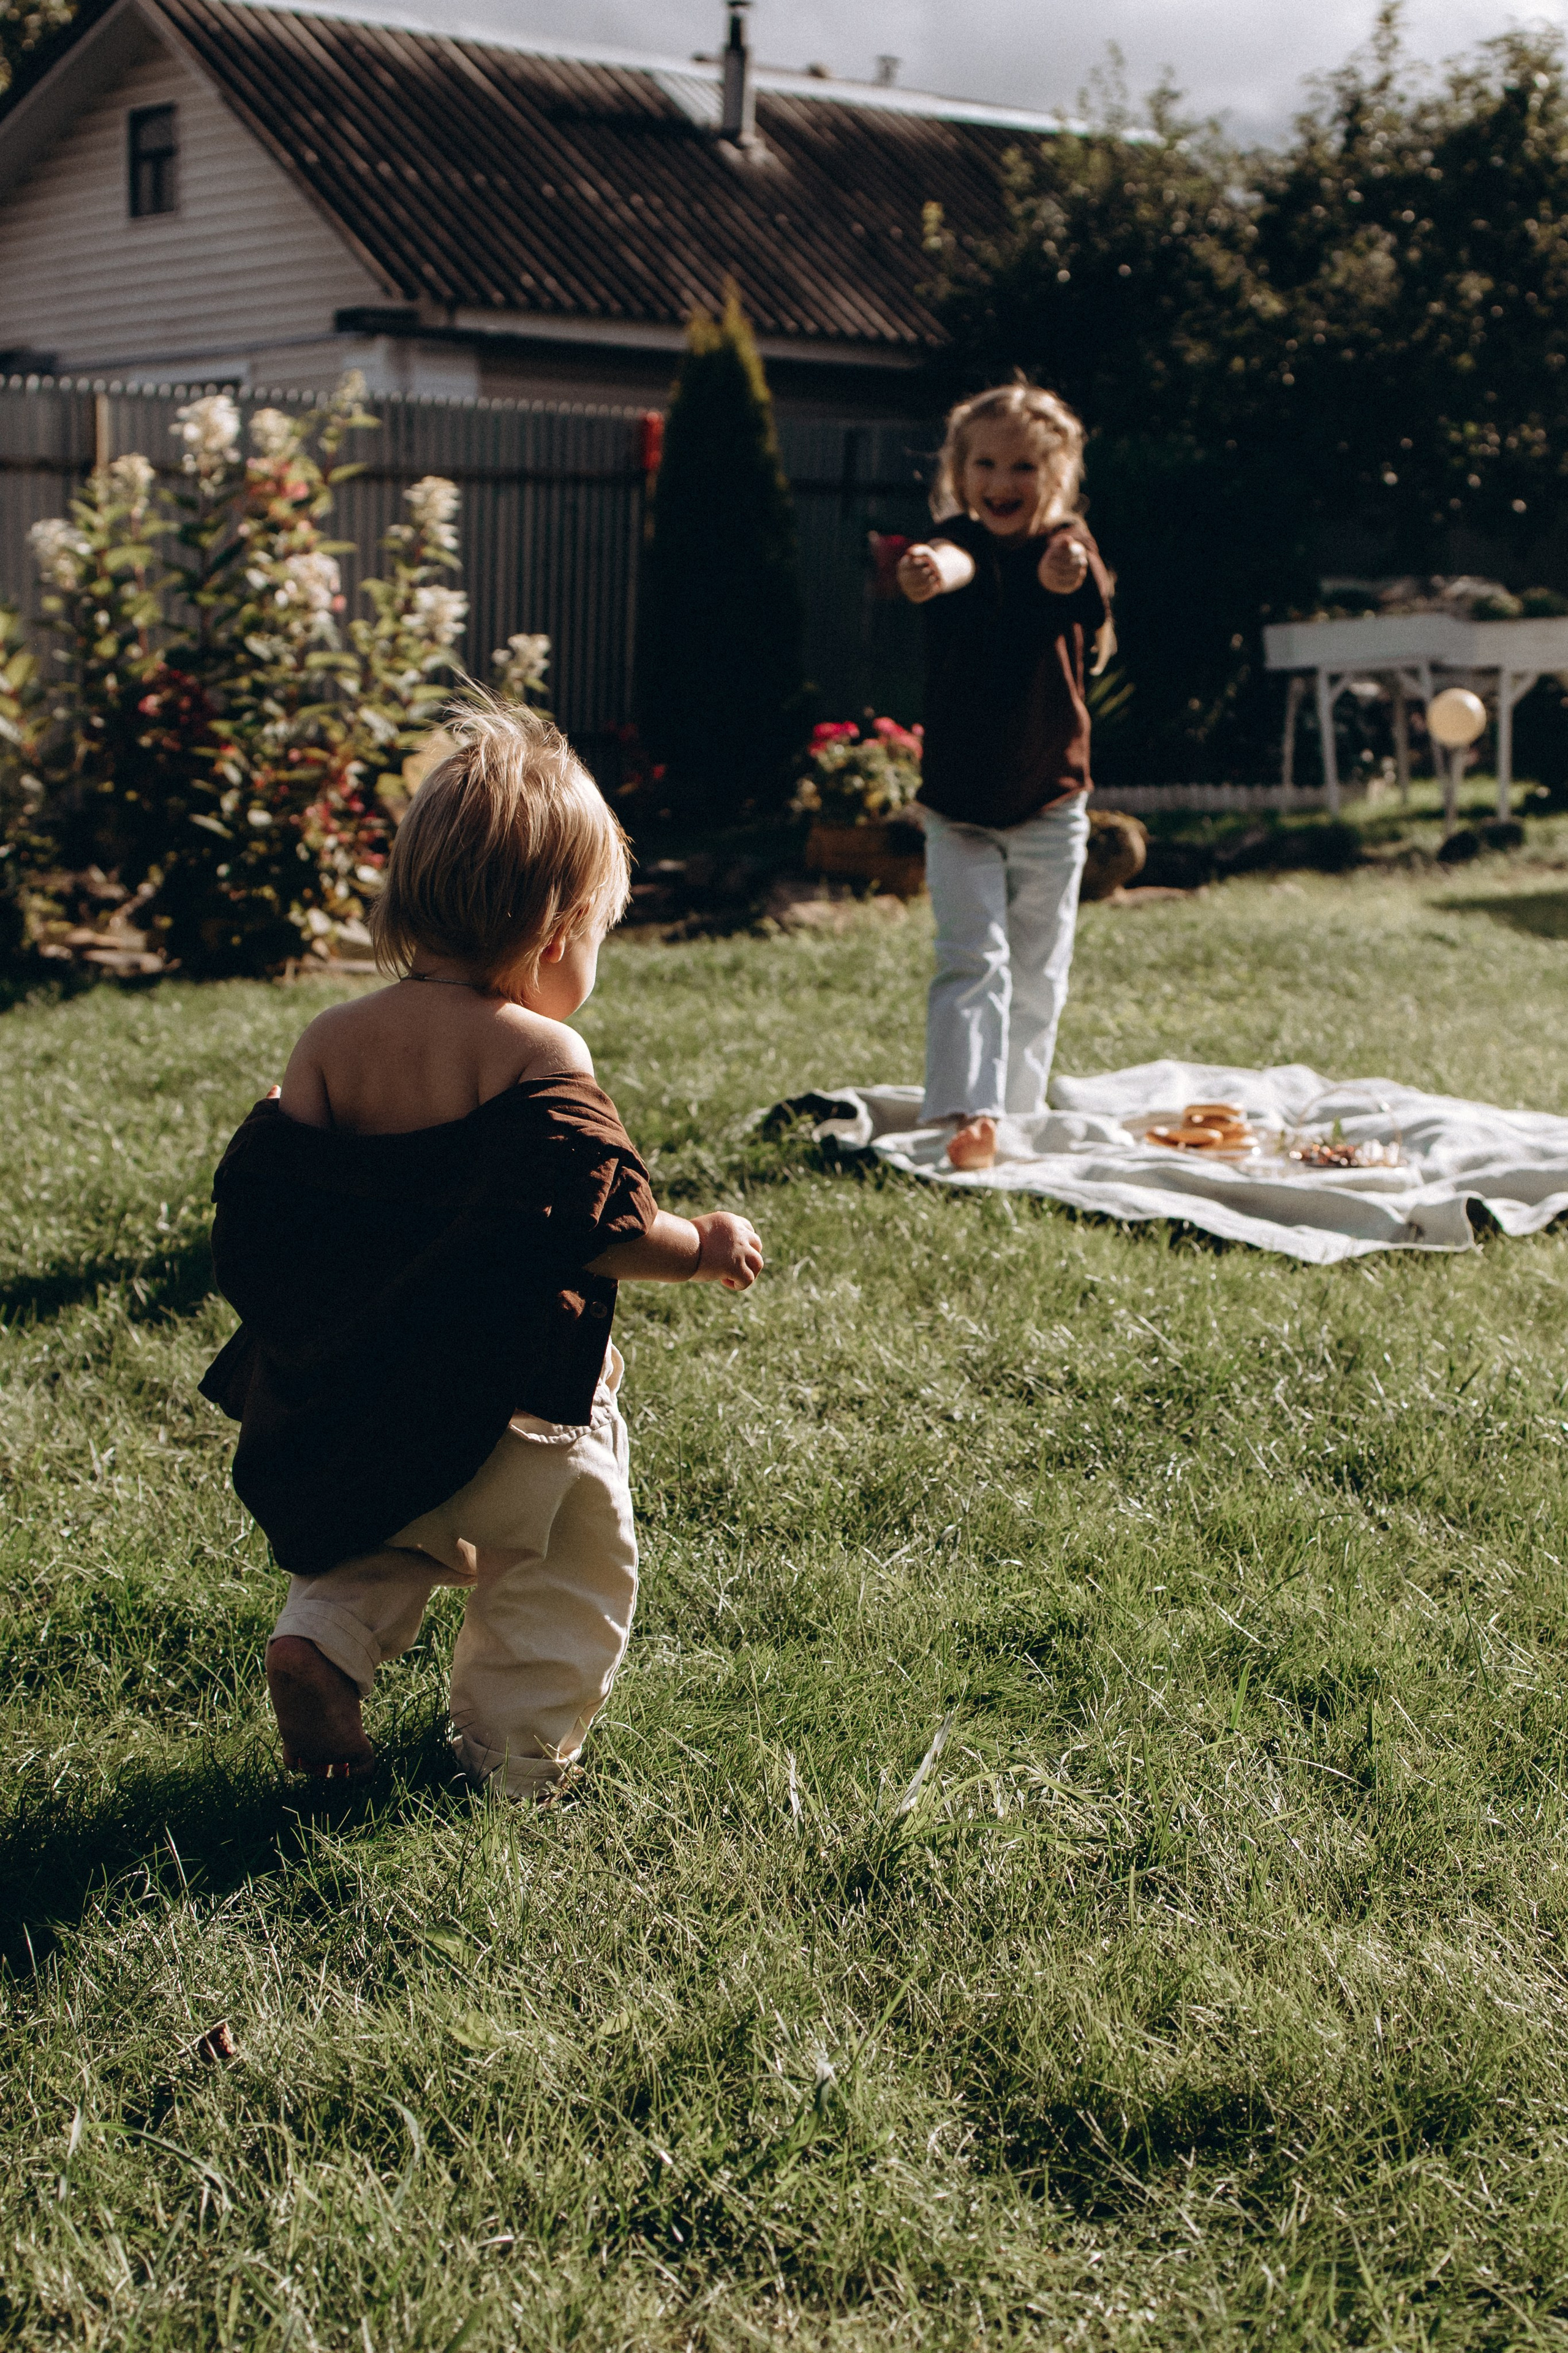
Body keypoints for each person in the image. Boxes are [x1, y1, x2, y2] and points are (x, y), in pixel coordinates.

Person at [198, 699, 763, 1794]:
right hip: (521, 1394)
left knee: (383, 1532)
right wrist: (701, 1244)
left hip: (366, 1385)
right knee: (564, 1561)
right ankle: (516, 1759)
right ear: (559, 935)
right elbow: (601, 1225)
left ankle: (318, 1642)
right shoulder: (542, 1049)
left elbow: (270, 1202)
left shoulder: (331, 1043)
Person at [897, 382, 1115, 1170]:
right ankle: (960, 1110)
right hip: (957, 806)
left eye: (1023, 466)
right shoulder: (952, 543)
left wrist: (1062, 572)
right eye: (985, 463)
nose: (1002, 482)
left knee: (1036, 966)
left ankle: (1016, 1113)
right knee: (970, 954)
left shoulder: (1069, 547)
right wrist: (930, 569)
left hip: (1052, 801)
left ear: (1055, 477)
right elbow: (952, 560)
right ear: (959, 471)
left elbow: (1077, 584)